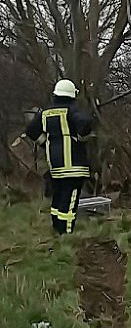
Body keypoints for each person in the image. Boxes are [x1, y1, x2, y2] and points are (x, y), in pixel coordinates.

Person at [26, 79, 92, 235]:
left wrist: (45, 143)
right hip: (74, 165)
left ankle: (57, 229)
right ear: (72, 95)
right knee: (70, 200)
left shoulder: (45, 113)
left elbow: (31, 131)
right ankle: (67, 233)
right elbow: (84, 127)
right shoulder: (72, 110)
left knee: (58, 196)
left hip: (55, 165)